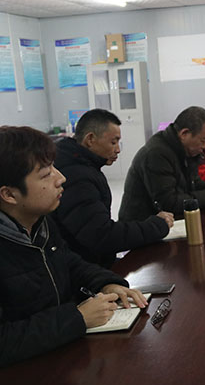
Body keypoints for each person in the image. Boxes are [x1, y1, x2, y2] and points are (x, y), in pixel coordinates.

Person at [0, 126, 147, 367]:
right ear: (9, 194)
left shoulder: (39, 222)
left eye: (54, 167)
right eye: (46, 175)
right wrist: (76, 318)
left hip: (63, 358)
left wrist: (106, 283)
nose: (61, 178)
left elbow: (69, 262)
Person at [51, 109, 173, 268]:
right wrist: (157, 226)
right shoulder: (76, 177)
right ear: (90, 139)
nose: (118, 149)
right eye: (113, 142)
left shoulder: (81, 166)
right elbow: (101, 235)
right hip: (86, 269)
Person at [119, 106, 205, 222]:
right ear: (184, 134)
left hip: (169, 221)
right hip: (141, 224)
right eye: (203, 141)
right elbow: (168, 203)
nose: (204, 147)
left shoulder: (187, 150)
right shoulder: (156, 154)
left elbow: (193, 183)